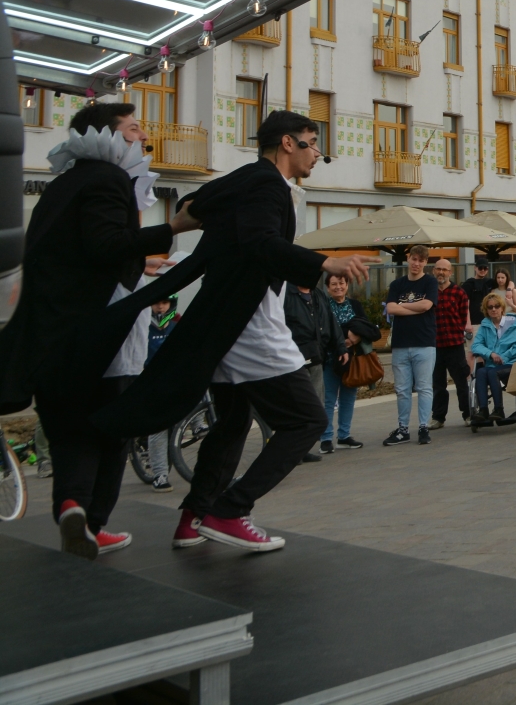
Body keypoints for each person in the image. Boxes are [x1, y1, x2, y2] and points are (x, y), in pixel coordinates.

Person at [92, 110, 369, 554]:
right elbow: (261, 243)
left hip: (233, 322)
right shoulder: (265, 184)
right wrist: (322, 262)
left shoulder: (249, 181)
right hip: (250, 324)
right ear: (287, 144)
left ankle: (193, 517)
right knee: (307, 421)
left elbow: (201, 205)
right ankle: (229, 510)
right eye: (313, 142)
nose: (318, 153)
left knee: (233, 423)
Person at [0, 101, 196, 556]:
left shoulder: (62, 185)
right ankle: (93, 521)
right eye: (132, 128)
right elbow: (106, 244)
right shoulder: (109, 179)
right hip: (97, 336)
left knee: (68, 432)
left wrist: (137, 261)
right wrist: (173, 226)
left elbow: (79, 255)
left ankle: (70, 506)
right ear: (107, 136)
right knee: (111, 428)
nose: (143, 135)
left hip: (50, 339)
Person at [382, 245, 439, 447]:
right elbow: (390, 308)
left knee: (424, 387)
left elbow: (427, 305)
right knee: (402, 389)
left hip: (424, 343)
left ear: (425, 263)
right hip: (400, 344)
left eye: (421, 260)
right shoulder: (397, 284)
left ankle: (423, 426)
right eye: (414, 259)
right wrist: (413, 307)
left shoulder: (430, 282)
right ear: (408, 259)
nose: (416, 263)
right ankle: (403, 428)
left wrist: (402, 306)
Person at [281, 280, 340, 462]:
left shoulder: (317, 293)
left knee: (315, 406)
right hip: (292, 359)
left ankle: (302, 449)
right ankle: (291, 452)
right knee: (295, 406)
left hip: (315, 356)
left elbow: (329, 319)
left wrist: (340, 347)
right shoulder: (285, 294)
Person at [317, 272, 362, 451]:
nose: (338, 287)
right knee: (328, 399)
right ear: (328, 287)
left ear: (347, 285)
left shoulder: (355, 305)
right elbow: (323, 330)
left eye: (341, 283)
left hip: (352, 360)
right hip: (329, 359)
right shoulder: (322, 305)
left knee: (348, 398)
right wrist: (345, 336)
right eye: (334, 284)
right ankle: (326, 439)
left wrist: (353, 340)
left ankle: (344, 436)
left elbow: (365, 326)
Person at [426, 257, 472, 431]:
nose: (441, 272)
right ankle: (438, 417)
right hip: (434, 345)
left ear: (450, 273)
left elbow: (462, 316)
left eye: (445, 270)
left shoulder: (459, 293)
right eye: (438, 269)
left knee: (461, 382)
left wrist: (458, 330)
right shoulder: (429, 292)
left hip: (454, 344)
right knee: (438, 384)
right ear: (433, 271)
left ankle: (467, 414)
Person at [142, 296, 180, 490]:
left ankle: (198, 424)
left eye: (165, 303)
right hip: (151, 382)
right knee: (158, 428)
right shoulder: (143, 327)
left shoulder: (176, 324)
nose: (160, 307)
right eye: (156, 302)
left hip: (174, 380)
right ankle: (160, 475)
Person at [470, 291, 516, 427]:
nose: (493, 309)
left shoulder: (514, 323)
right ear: (486, 310)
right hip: (492, 363)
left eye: (496, 306)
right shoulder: (485, 325)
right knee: (480, 372)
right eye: (490, 307)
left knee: (491, 372)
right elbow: (476, 345)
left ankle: (499, 409)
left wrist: (503, 357)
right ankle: (483, 410)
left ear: (502, 308)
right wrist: (491, 354)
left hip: (510, 363)